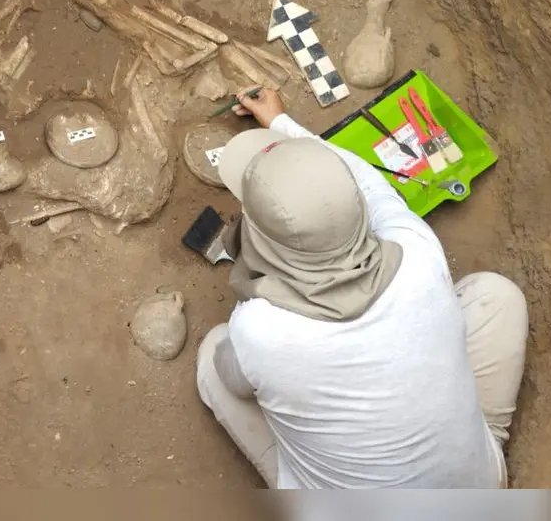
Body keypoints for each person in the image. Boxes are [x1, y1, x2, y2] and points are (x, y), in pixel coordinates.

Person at [196, 85, 528, 489]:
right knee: (495, 296)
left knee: (214, 356)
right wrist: (281, 124)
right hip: (478, 491)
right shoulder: (414, 248)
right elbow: (364, 178)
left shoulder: (259, 329)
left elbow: (236, 382)